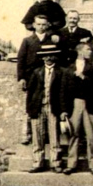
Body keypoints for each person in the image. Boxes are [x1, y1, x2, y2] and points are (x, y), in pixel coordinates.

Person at [17, 14, 60, 145]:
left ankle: (46, 134)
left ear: (47, 26)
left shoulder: (52, 39)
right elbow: (21, 60)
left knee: (49, 103)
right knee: (32, 104)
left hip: (48, 75)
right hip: (32, 78)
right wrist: (22, 77)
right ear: (34, 25)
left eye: (44, 24)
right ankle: (27, 133)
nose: (41, 27)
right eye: (39, 24)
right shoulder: (28, 41)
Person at [25, 45, 67, 173]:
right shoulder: (36, 72)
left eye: (51, 55)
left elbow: (63, 92)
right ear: (42, 58)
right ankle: (38, 162)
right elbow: (30, 92)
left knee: (54, 135)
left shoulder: (61, 72)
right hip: (38, 107)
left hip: (54, 107)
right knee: (37, 135)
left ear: (56, 57)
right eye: (46, 55)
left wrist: (63, 110)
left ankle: (56, 162)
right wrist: (29, 109)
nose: (49, 58)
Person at [62, 43, 93, 175]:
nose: (90, 52)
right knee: (74, 133)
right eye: (87, 49)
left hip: (90, 103)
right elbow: (64, 91)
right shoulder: (68, 69)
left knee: (91, 135)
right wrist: (64, 110)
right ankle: (71, 164)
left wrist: (84, 77)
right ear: (79, 51)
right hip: (75, 103)